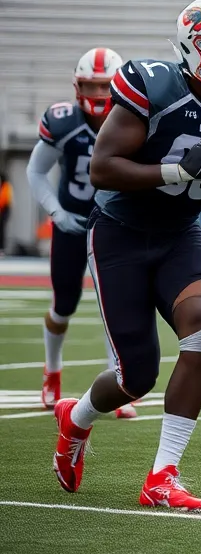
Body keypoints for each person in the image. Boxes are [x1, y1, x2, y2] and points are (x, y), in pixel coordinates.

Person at [52, 0, 201, 510]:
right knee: (137, 376)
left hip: (180, 232)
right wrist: (177, 171)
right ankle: (77, 417)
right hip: (120, 232)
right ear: (194, 50)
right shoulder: (153, 84)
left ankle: (163, 476)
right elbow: (103, 169)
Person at [27, 48, 135, 417]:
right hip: (73, 222)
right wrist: (56, 213)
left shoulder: (135, 120)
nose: (99, 94)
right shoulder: (64, 122)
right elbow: (35, 171)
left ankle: (121, 383)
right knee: (64, 304)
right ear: (78, 85)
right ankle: (52, 372)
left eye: (106, 86)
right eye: (91, 85)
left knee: (117, 304)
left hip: (113, 222)